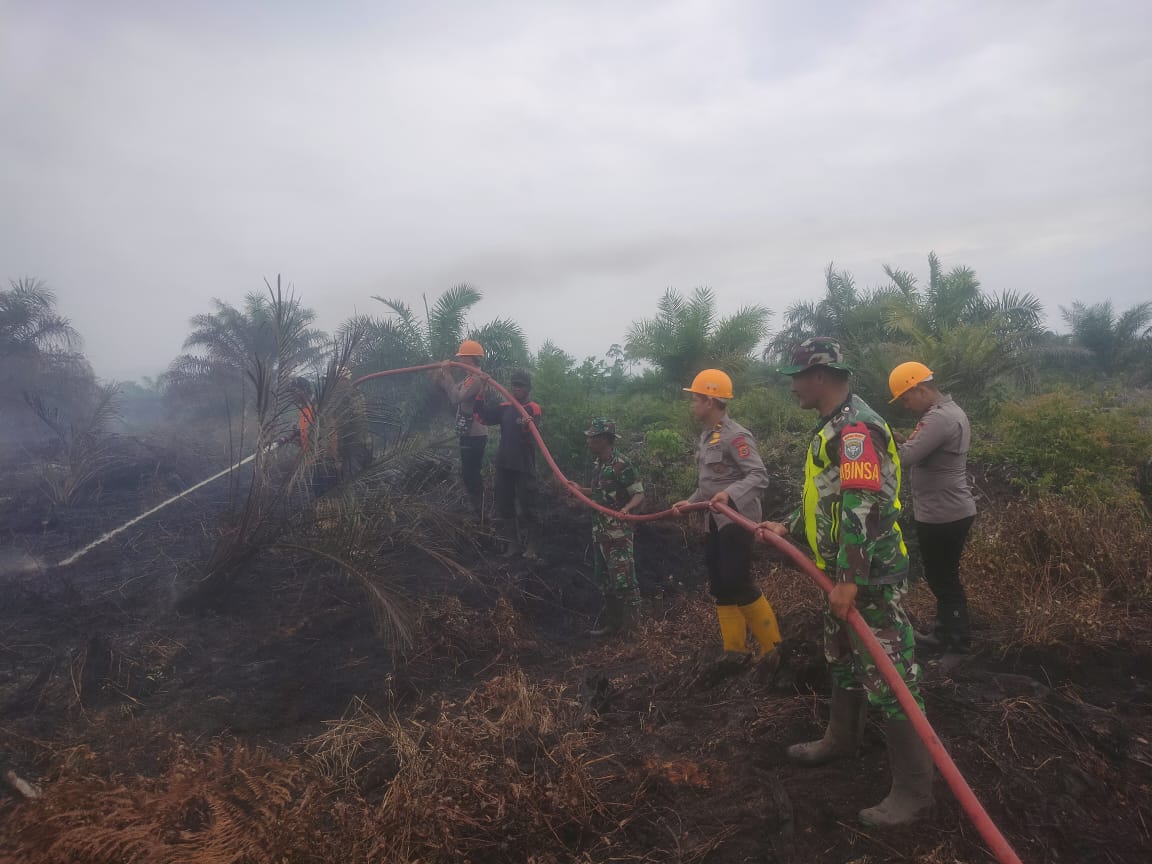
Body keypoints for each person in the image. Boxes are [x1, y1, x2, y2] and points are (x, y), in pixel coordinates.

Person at [759, 337, 932, 827]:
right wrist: (789, 524)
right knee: (843, 659)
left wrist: (852, 580)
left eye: (796, 377)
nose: (792, 388)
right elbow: (828, 497)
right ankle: (842, 740)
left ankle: (915, 792)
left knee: (892, 677)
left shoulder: (856, 430)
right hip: (841, 574)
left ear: (820, 376)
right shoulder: (834, 427)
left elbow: (864, 505)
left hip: (869, 578)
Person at [672, 369, 782, 658]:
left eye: (695, 399)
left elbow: (758, 476)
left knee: (737, 580)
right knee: (720, 584)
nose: (691, 404)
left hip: (737, 520)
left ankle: (773, 650)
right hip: (714, 522)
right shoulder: (708, 436)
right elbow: (711, 485)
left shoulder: (736, 436)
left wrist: (730, 496)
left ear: (710, 401)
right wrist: (689, 501)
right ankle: (735, 651)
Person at [888, 361, 977, 653]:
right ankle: (944, 632)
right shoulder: (950, 412)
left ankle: (956, 642)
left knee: (944, 578)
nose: (906, 405)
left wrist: (882, 442)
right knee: (942, 575)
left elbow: (905, 457)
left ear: (921, 389)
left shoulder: (938, 418)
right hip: (949, 509)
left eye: (906, 397)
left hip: (943, 513)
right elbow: (922, 448)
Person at [570, 418, 645, 637]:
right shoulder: (598, 464)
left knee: (624, 581)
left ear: (604, 440)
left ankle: (633, 632)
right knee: (604, 580)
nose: (588, 441)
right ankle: (613, 626)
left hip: (618, 533)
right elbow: (600, 494)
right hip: (600, 532)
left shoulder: (622, 463)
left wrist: (627, 509)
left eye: (592, 437)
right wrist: (580, 490)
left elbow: (639, 494)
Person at [483, 368, 543, 559]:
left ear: (528, 388)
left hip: (523, 464)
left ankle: (533, 546)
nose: (516, 388)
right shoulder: (504, 407)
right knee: (504, 504)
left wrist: (527, 426)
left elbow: (532, 436)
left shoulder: (532, 408)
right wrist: (480, 391)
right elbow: (483, 417)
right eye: (514, 384)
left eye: (521, 385)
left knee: (528, 505)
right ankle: (514, 545)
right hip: (504, 462)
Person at [435, 340, 489, 518]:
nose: (459, 360)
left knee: (470, 471)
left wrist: (448, 374)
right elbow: (452, 391)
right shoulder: (468, 378)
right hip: (467, 433)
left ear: (470, 359)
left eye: (461, 357)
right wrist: (441, 377)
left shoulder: (476, 379)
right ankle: (475, 506)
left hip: (475, 435)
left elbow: (456, 398)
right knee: (468, 470)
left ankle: (479, 509)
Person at [332, 366, 372, 478]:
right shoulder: (355, 393)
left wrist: (338, 455)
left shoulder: (346, 397)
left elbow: (342, 426)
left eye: (336, 380)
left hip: (354, 447)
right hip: (362, 444)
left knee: (351, 483)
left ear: (343, 380)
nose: (333, 384)